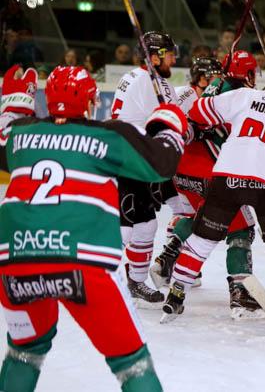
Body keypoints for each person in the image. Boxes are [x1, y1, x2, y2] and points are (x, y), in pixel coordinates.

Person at [0, 65, 187, 392]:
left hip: (16, 263)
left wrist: (14, 104)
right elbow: (162, 165)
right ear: (90, 102)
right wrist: (170, 124)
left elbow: (6, 139)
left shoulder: (19, 134)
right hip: (83, 264)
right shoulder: (109, 134)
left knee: (25, 351)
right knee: (131, 361)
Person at [161, 57, 265, 327]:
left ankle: (175, 296)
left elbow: (198, 111)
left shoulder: (245, 96)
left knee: (202, 241)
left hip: (228, 177)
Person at [150, 55, 265, 320]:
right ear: (248, 74)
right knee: (241, 228)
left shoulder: (211, 88)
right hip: (210, 170)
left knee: (202, 218)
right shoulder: (245, 96)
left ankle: (167, 258)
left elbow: (189, 122)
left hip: (182, 168)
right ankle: (241, 295)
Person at [111, 31, 180, 304]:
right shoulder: (142, 80)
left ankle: (136, 282)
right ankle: (95, 276)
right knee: (126, 227)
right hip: (127, 159)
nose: (174, 59)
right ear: (155, 57)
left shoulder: (157, 82)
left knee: (146, 225)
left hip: (141, 162)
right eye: (169, 54)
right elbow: (156, 124)